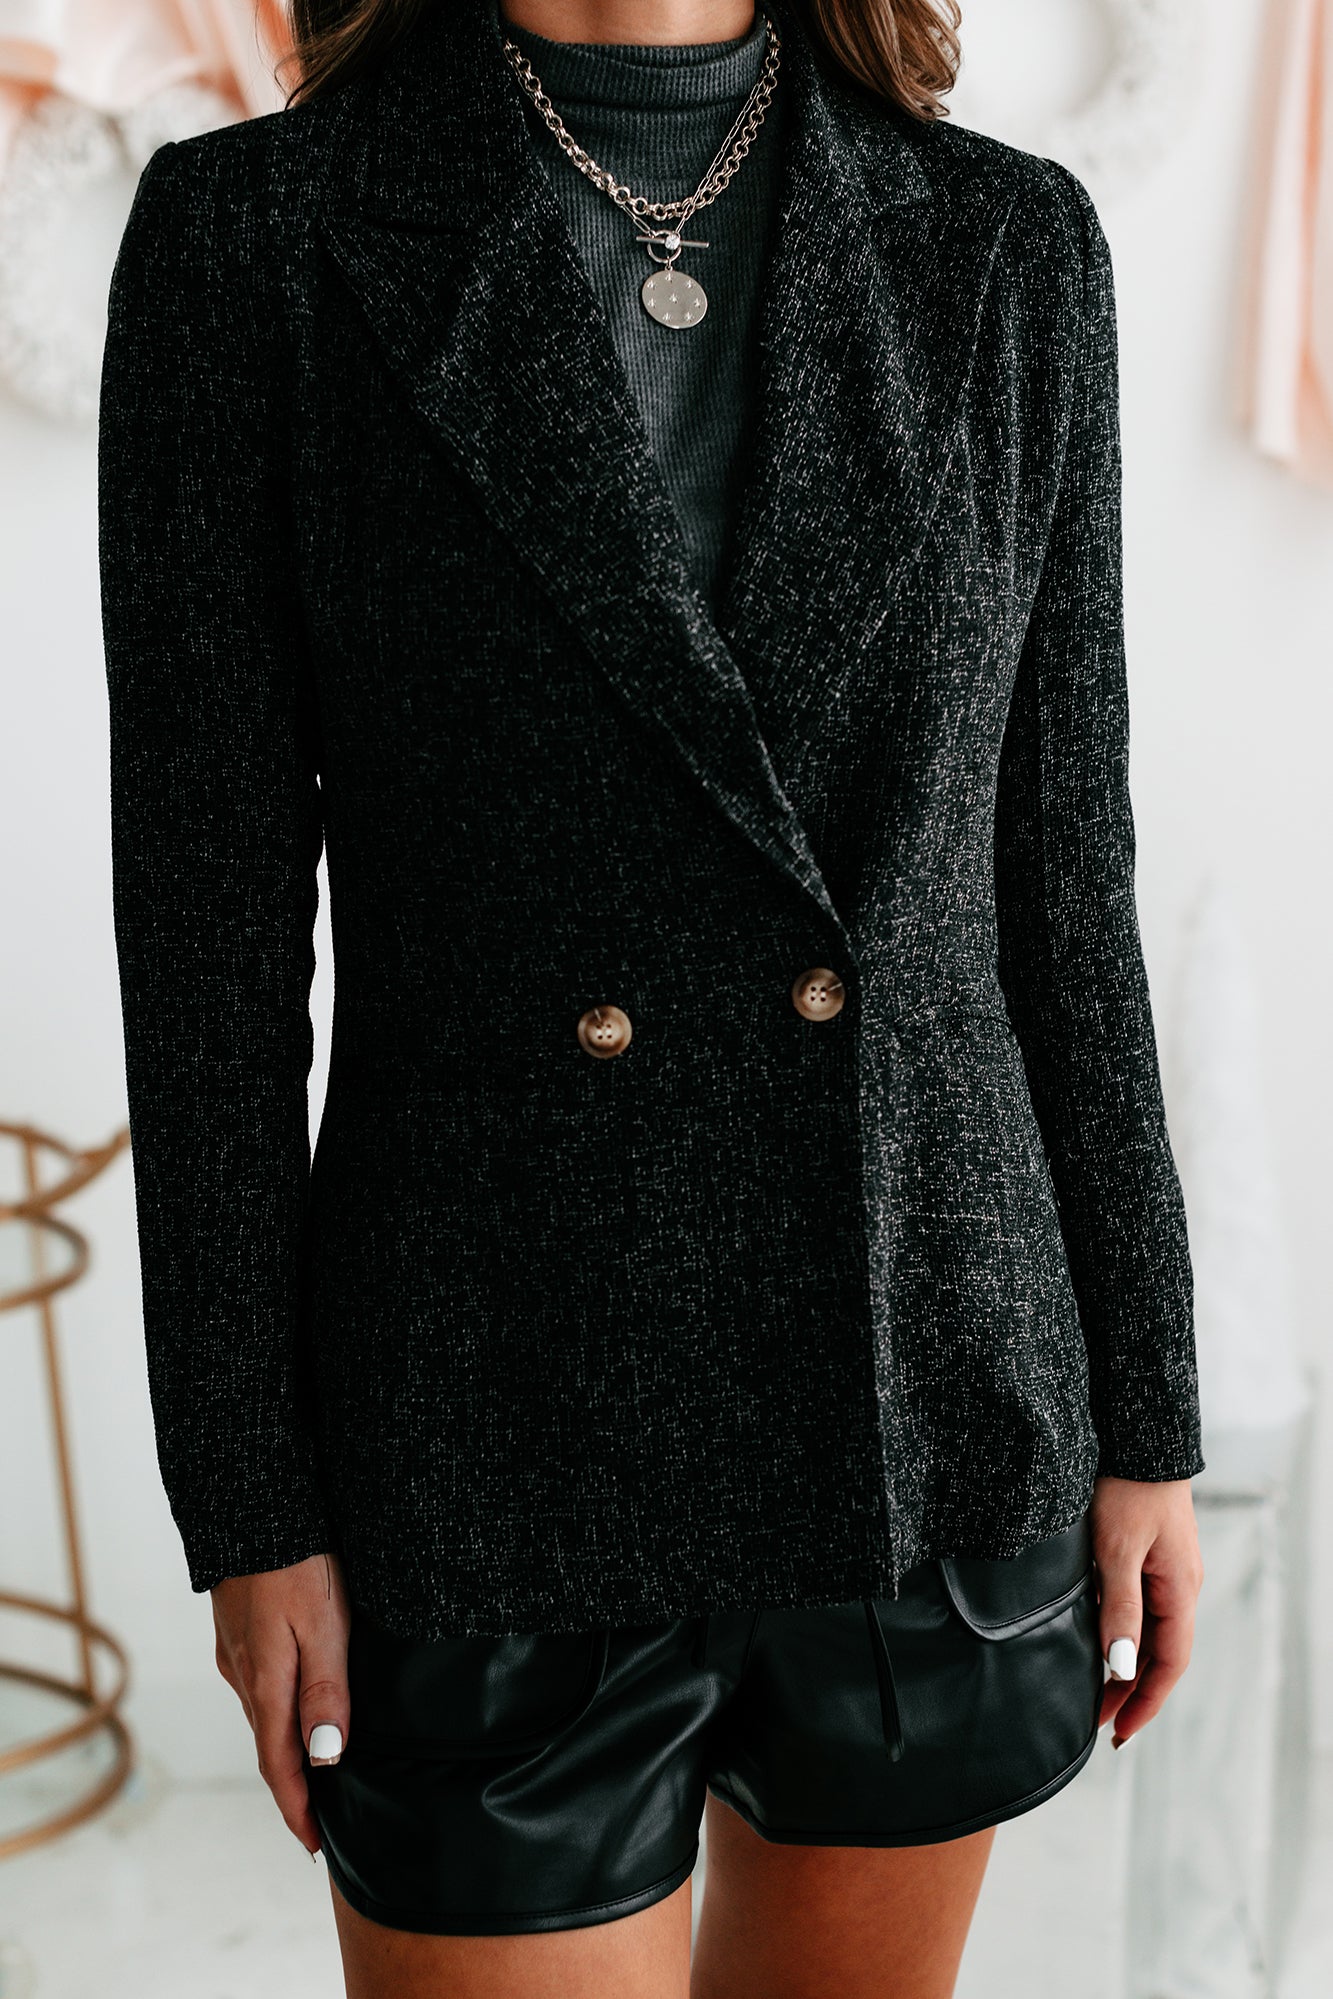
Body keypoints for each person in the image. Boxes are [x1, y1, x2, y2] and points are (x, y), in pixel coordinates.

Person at [97, 0, 1206, 1993]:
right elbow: (207, 954)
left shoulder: (1003, 241)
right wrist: (249, 1503)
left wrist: (1145, 1409)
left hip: (922, 1382)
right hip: (483, 1416)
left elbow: (1061, 880)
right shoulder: (255, 236)